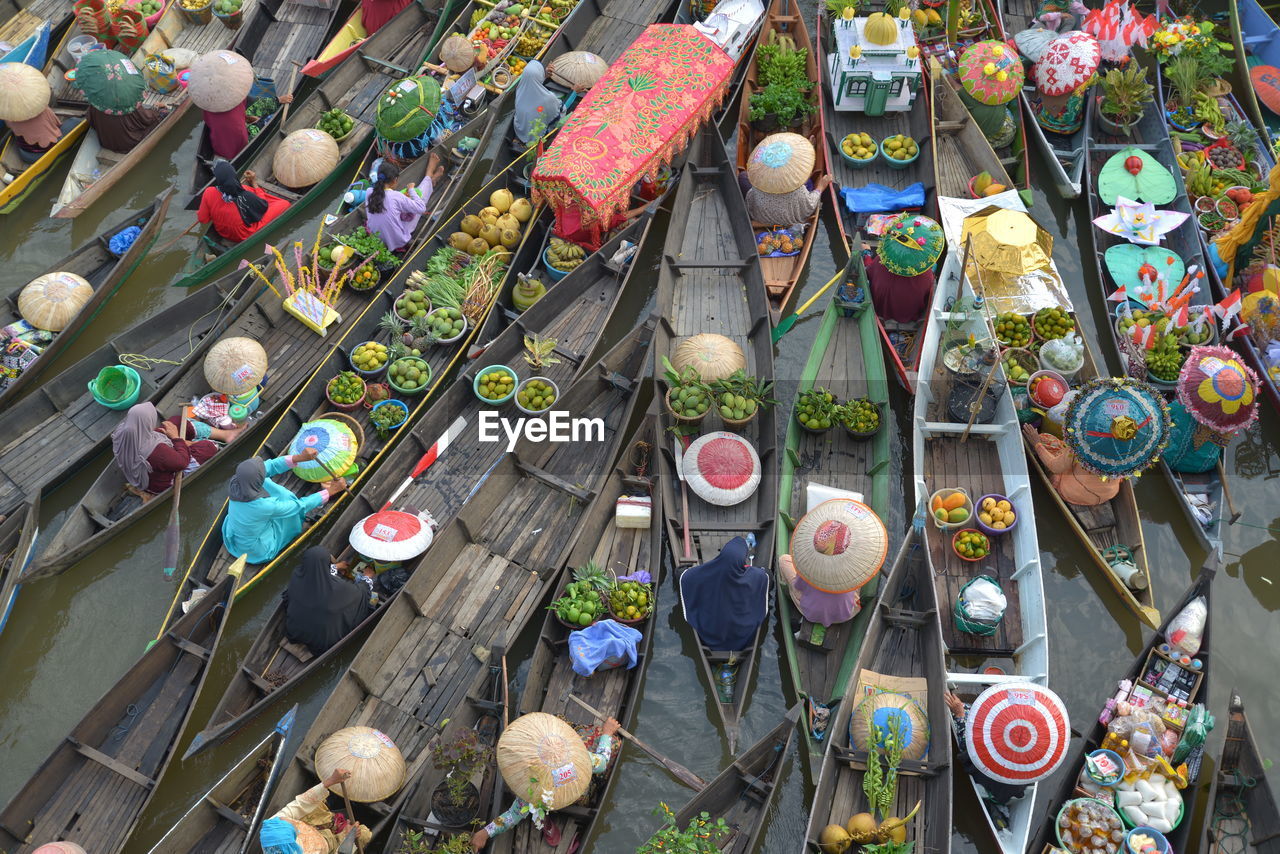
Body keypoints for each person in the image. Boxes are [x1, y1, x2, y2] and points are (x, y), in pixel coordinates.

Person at [470, 718, 620, 850]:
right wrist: (607, 733)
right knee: (611, 743)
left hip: (554, 792)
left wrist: (486, 832)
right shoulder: (578, 759)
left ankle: (542, 814)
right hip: (568, 787)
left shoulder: (533, 786)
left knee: (533, 804)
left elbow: (513, 815)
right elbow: (602, 762)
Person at [221, 450, 347, 565]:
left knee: (266, 481)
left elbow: (270, 466)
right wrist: (330, 491)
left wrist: (300, 457)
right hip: (257, 550)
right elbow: (299, 506)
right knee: (290, 512)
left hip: (235, 536)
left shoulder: (236, 481)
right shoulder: (264, 507)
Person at [111, 402, 239, 496]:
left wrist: (168, 435)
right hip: (161, 481)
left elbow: (153, 436)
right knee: (208, 448)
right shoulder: (157, 452)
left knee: (175, 422)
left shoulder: (122, 431)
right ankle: (220, 437)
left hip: (153, 460)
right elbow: (181, 462)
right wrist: (177, 439)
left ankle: (225, 434)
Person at [945, 691, 1028, 829]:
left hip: (990, 787)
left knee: (966, 714)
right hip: (1007, 793)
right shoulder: (1030, 764)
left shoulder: (990, 756)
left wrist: (959, 715)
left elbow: (966, 746)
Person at [678, 536, 769, 651]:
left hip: (709, 636)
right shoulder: (753, 577)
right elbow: (767, 575)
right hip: (742, 637)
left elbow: (682, 575)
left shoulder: (705, 574)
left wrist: (683, 569)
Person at [284, 546, 376, 655]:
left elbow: (316, 569)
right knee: (365, 604)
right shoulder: (340, 589)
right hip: (322, 643)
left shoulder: (297, 575)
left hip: (293, 631)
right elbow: (361, 592)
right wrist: (367, 577)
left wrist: (335, 567)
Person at [260, 767, 371, 854]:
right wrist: (347, 836)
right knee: (364, 834)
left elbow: (299, 805)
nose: (288, 820)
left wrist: (330, 781)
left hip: (312, 827)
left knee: (314, 805)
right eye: (292, 826)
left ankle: (331, 824)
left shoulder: (272, 828)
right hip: (331, 844)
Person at [1022, 423, 1120, 506]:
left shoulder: (1081, 446)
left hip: (1070, 493)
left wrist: (1037, 444)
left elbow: (1054, 467)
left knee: (1045, 438)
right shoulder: (1127, 453)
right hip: (1108, 494)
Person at [198, 160, 291, 243]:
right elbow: (263, 206)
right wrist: (254, 183)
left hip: (223, 233)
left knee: (246, 189)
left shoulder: (208, 192)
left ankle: (259, 193)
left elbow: (203, 219)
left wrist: (211, 209)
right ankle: (259, 191)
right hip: (244, 235)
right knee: (285, 203)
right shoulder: (245, 196)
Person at [365, 158, 444, 252]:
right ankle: (429, 176)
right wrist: (411, 189)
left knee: (401, 209)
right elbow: (421, 208)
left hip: (377, 238)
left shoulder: (369, 192)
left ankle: (430, 179)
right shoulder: (396, 196)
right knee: (420, 199)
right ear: (394, 181)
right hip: (398, 241)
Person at [776, 552, 859, 626]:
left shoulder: (808, 566)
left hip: (812, 614)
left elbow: (798, 586)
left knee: (784, 559)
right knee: (859, 578)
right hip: (846, 615)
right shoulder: (850, 567)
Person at [203, 93, 293, 160]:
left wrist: (246, 118)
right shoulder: (236, 99)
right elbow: (241, 134)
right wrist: (278, 100)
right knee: (262, 121)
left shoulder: (207, 108)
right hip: (240, 147)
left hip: (219, 148)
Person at [865, 251, 935, 324]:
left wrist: (867, 255)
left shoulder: (881, 260)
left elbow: (868, 272)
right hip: (911, 318)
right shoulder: (927, 273)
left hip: (879, 313)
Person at [513, 60, 562, 148]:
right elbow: (560, 110)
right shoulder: (549, 99)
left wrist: (545, 75)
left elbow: (535, 81)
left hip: (520, 131)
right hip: (536, 137)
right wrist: (574, 92)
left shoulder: (521, 89)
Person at [746, 175, 830, 225]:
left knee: (743, 177)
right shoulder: (798, 188)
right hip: (790, 222)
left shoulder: (758, 182)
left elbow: (749, 199)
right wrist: (820, 187)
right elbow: (810, 205)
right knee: (809, 182)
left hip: (761, 220)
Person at [87, 103, 167, 153]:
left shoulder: (95, 103)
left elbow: (91, 122)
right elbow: (147, 119)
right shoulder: (129, 103)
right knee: (162, 114)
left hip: (107, 142)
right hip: (128, 143)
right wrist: (156, 108)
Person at [9, 107, 76, 163]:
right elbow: (58, 125)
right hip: (46, 153)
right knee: (74, 121)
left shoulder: (8, 116)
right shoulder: (43, 109)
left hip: (25, 155)